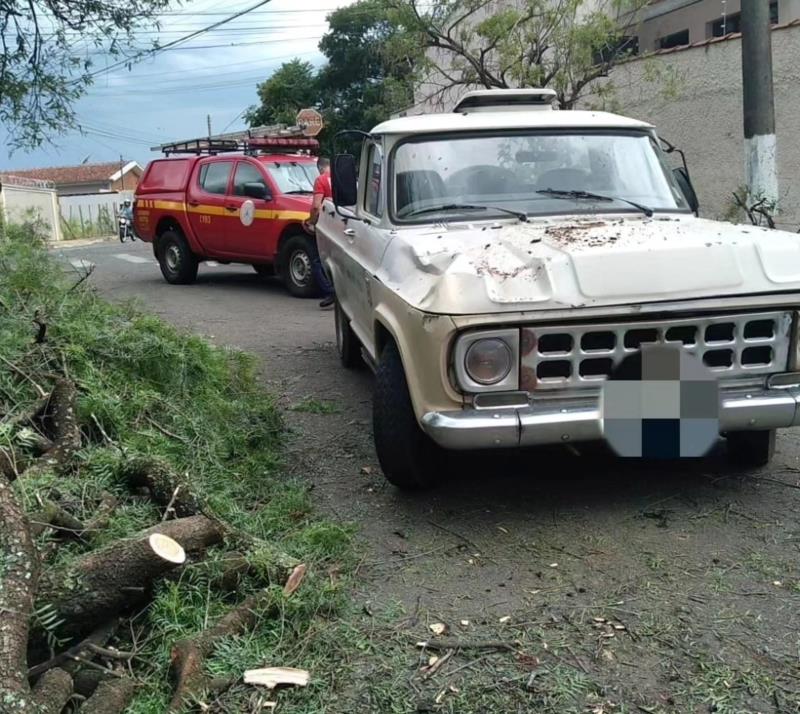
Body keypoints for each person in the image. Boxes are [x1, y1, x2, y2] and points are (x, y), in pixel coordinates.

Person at [305, 157, 336, 309]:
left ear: (320, 168)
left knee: (317, 259)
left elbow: (316, 206)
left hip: (327, 224)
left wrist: (310, 222)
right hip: (345, 223)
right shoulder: (342, 177)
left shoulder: (321, 180)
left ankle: (330, 291)